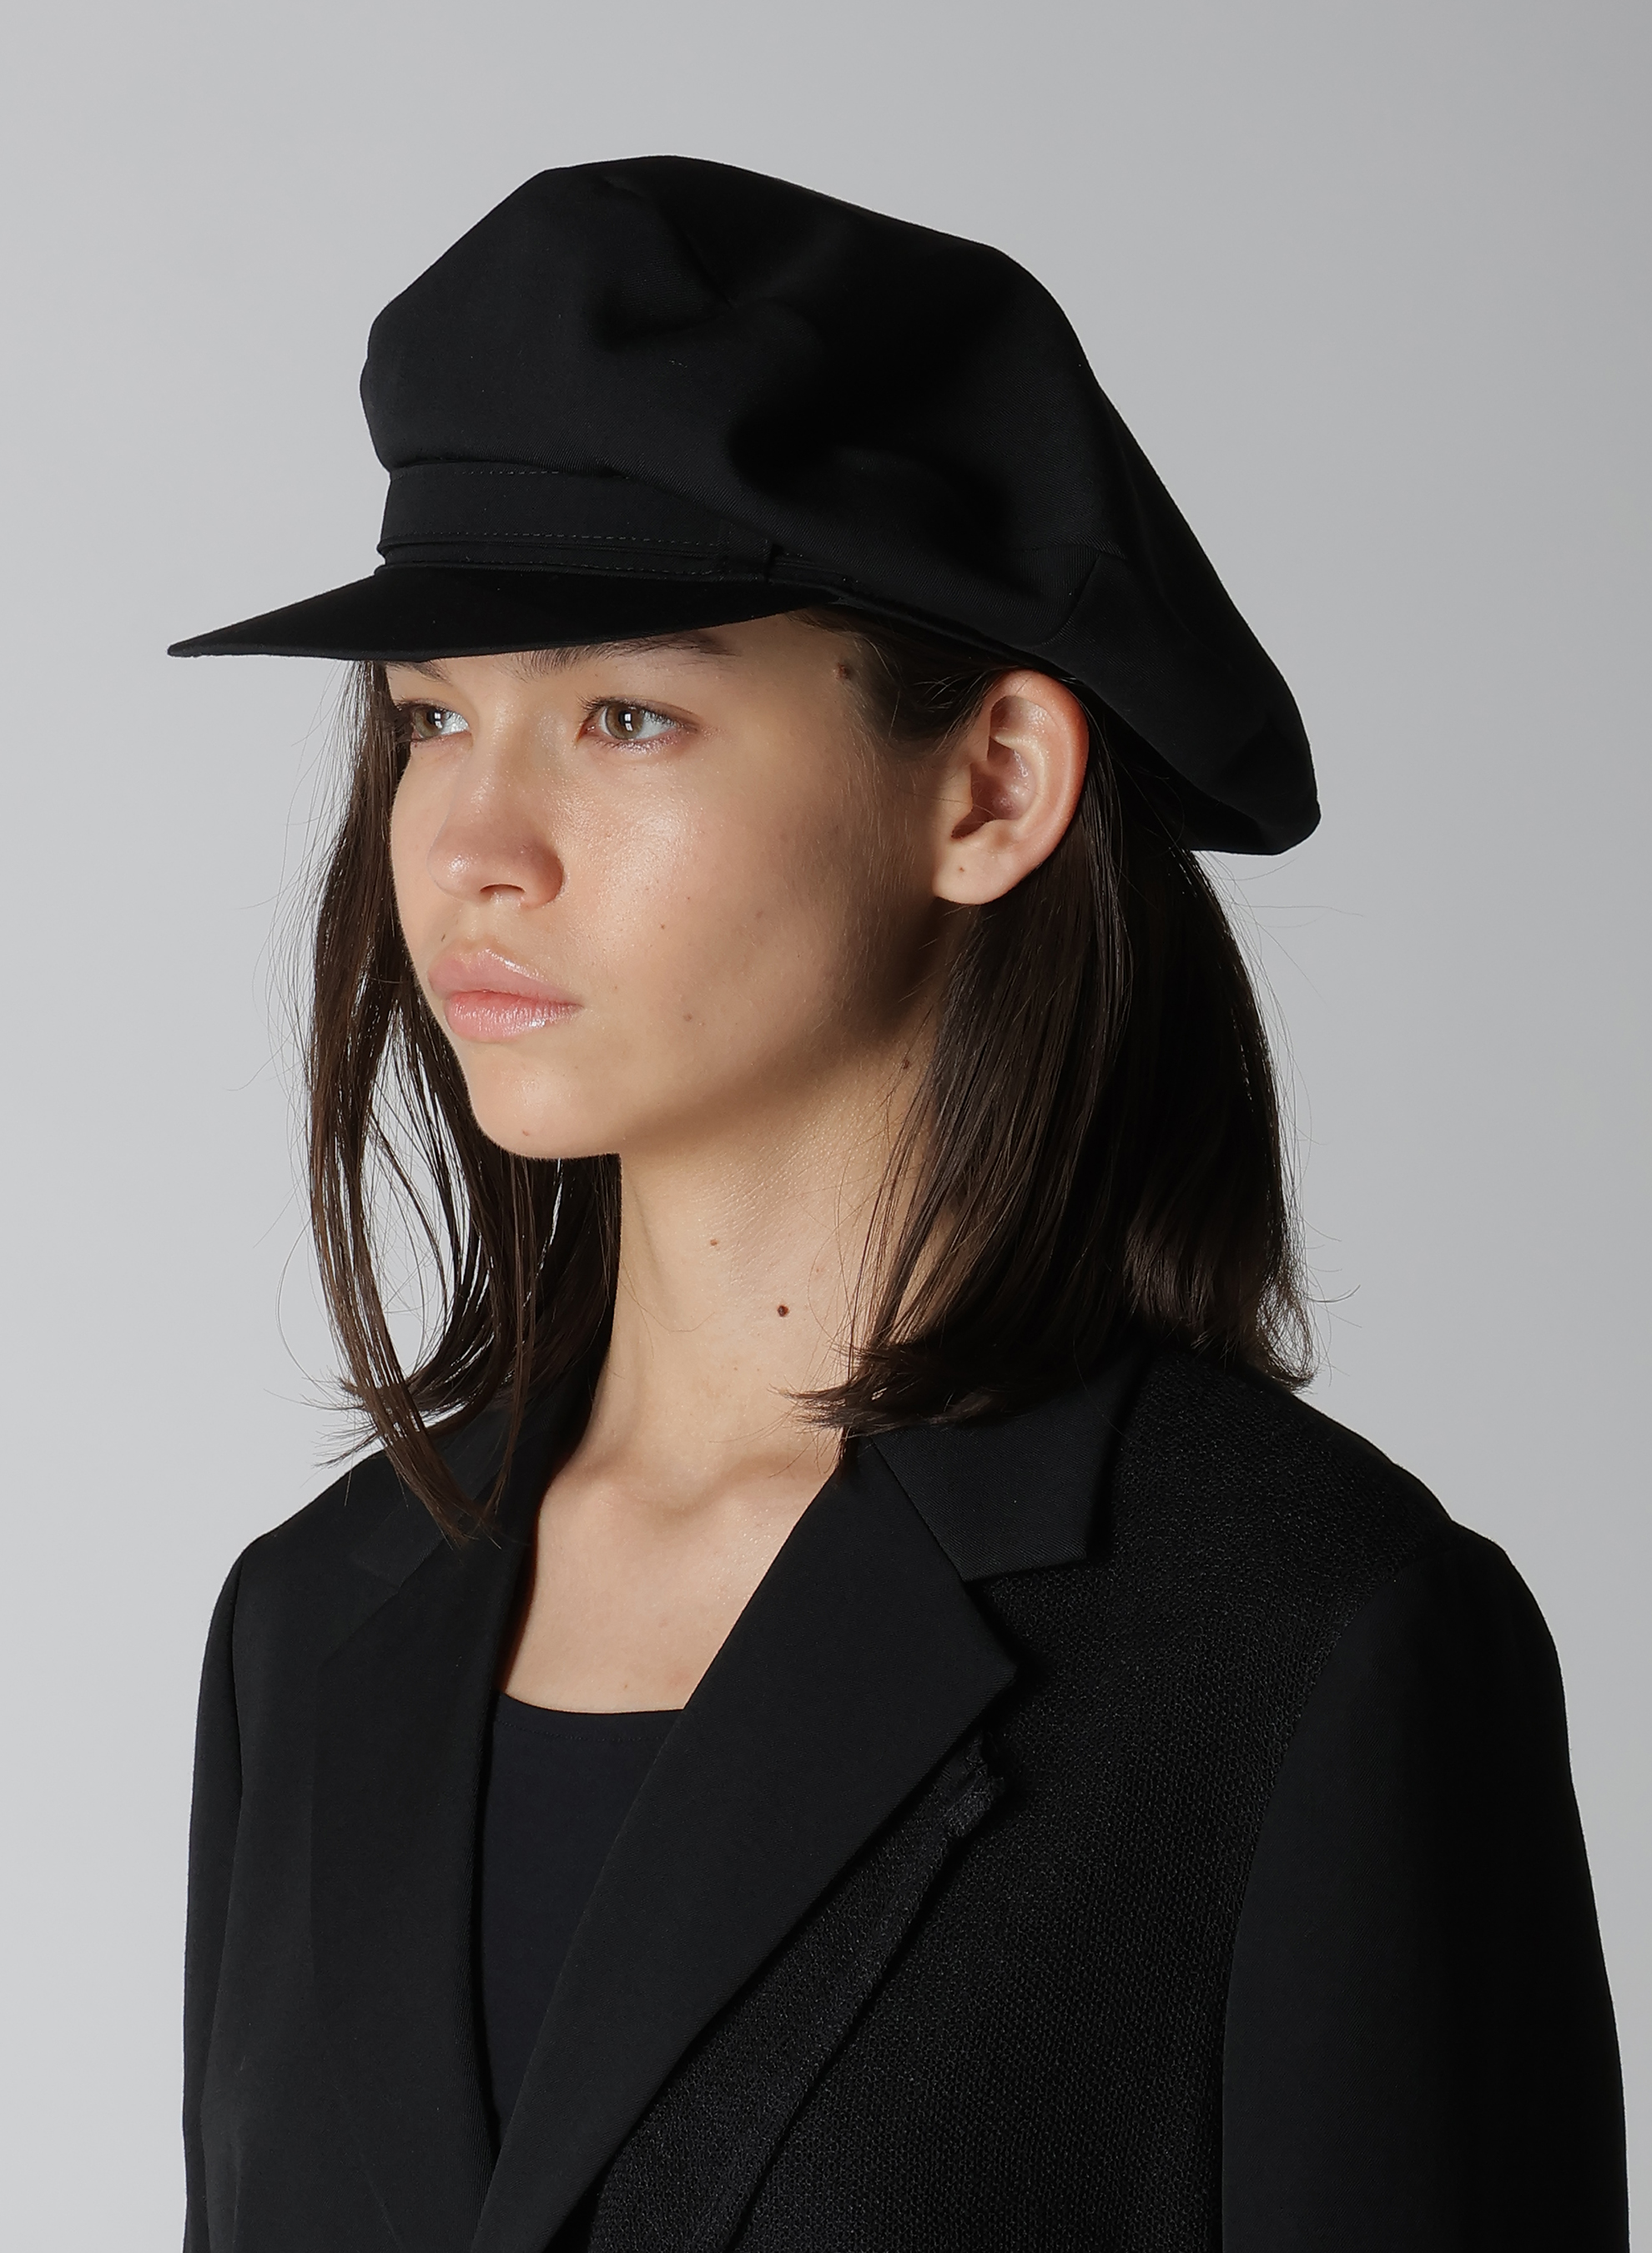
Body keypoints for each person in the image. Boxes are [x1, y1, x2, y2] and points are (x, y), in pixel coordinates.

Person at [170, 158, 1628, 2253]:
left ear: (993, 785)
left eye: (625, 715)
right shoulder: (312, 1629)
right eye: (430, 720)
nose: (473, 841)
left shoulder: (1304, 1643)